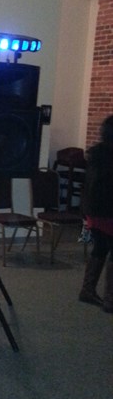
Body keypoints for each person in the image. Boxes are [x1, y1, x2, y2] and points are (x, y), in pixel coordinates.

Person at [78, 114, 113, 313]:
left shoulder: (97, 153)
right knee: (106, 249)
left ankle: (88, 290)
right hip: (107, 211)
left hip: (94, 210)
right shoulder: (107, 156)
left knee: (100, 248)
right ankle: (110, 299)